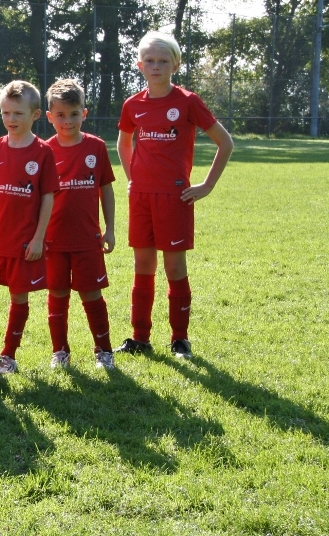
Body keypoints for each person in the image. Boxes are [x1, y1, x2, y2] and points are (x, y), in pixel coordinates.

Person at [115, 32, 233, 358]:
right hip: (141, 197)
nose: (156, 66)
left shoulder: (188, 101)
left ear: (175, 65)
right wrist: (132, 179)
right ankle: (140, 338)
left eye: (163, 61)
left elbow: (225, 142)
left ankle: (180, 339)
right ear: (140, 65)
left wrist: (207, 185)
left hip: (175, 198)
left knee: (175, 268)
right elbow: (123, 144)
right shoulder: (132, 105)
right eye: (150, 61)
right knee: (142, 266)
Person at [0, 80, 58, 374]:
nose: (11, 119)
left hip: (23, 242)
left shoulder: (43, 153)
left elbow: (47, 198)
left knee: (18, 296)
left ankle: (9, 356)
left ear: (35, 115)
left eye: (18, 113)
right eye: (6, 112)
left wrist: (39, 238)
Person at [43, 79, 117, 370]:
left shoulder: (96, 147)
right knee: (57, 294)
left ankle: (104, 351)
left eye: (74, 114)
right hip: (53, 240)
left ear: (84, 114)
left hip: (88, 238)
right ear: (49, 117)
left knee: (91, 294)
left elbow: (106, 189)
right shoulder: (44, 150)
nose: (68, 121)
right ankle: (60, 352)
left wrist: (110, 228)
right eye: (60, 115)